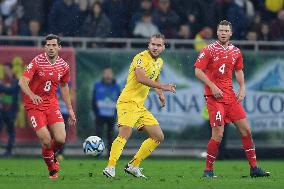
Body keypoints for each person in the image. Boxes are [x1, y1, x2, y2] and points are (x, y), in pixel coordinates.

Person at [194, 20, 270, 178]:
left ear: (230, 33)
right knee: (218, 134)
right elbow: (198, 71)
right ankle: (208, 170)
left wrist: (242, 87)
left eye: (226, 31)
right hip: (214, 97)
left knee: (246, 130)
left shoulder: (236, 51)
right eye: (220, 30)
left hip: (230, 97)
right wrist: (212, 86)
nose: (223, 33)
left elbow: (239, 71)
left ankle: (254, 169)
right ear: (217, 32)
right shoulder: (208, 50)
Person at [103, 33, 176, 178]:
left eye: (158, 45)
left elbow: (155, 75)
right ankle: (110, 167)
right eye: (153, 44)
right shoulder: (141, 58)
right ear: (148, 45)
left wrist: (159, 92)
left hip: (139, 106)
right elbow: (141, 78)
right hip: (127, 102)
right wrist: (163, 86)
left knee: (158, 136)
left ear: (163, 47)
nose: (155, 47)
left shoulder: (159, 62)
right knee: (125, 133)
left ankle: (133, 165)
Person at [18, 34, 76, 179]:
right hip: (34, 105)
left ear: (59, 47)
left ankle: (48, 153)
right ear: (45, 47)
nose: (51, 48)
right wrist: (32, 95)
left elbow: (64, 86)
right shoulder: (37, 61)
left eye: (53, 45)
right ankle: (52, 167)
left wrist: (70, 109)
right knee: (45, 139)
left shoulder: (64, 66)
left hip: (52, 104)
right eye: (48, 45)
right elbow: (22, 81)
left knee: (61, 139)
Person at [92, 66, 120, 155]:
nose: (108, 75)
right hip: (100, 115)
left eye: (109, 73)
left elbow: (119, 100)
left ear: (112, 75)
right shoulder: (97, 85)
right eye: (106, 73)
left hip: (111, 116)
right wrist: (96, 112)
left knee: (110, 136)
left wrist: (116, 113)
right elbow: (93, 100)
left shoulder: (116, 87)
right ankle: (97, 153)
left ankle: (110, 155)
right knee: (98, 134)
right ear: (103, 75)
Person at [0, 64, 19, 157]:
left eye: (6, 69)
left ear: (11, 70)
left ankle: (9, 151)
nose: (5, 71)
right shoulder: (3, 81)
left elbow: (11, 90)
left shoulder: (16, 81)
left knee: (10, 131)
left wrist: (1, 87)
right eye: (4, 70)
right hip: (2, 109)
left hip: (12, 110)